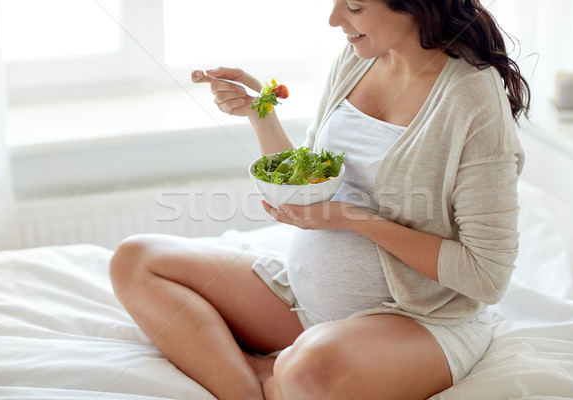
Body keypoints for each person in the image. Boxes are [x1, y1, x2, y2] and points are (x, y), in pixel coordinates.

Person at [109, 0, 530, 399]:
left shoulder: (471, 95)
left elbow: (487, 277)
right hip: (301, 301)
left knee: (311, 370)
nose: (333, 20)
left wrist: (355, 219)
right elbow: (312, 182)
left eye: (355, 7)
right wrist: (262, 115)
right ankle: (252, 388)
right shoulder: (356, 59)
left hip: (417, 320)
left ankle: (271, 374)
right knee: (135, 260)